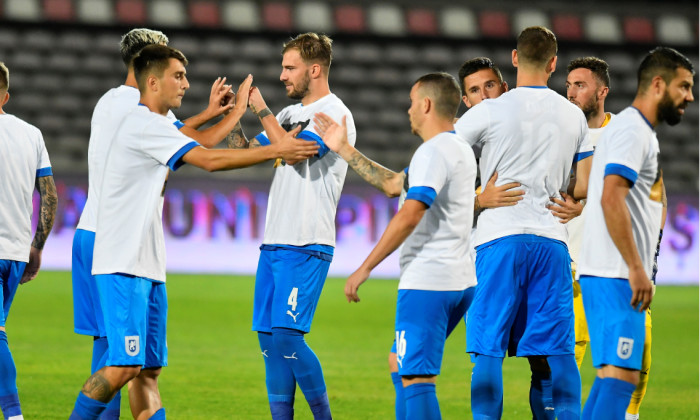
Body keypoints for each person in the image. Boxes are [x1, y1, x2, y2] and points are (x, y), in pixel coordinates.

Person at [69, 44, 318, 420]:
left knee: (147, 373)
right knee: (123, 367)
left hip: (148, 265)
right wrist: (276, 149)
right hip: (122, 264)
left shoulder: (157, 126)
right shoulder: (140, 124)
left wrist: (235, 112)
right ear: (152, 82)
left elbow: (197, 142)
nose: (186, 84)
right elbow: (210, 160)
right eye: (178, 76)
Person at [314, 56, 522, 420]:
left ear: (426, 104)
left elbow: (411, 211)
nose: (408, 110)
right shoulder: (455, 147)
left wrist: (363, 268)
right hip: (459, 280)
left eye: (412, 102)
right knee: (400, 362)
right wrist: (343, 148)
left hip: (429, 281)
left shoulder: (433, 152)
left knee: (417, 376)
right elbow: (395, 185)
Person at [455, 26, 593, 420]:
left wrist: (478, 196)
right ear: (553, 63)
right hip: (551, 241)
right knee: (557, 354)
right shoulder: (574, 116)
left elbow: (443, 152)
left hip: (499, 237)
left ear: (514, 60)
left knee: (487, 352)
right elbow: (581, 187)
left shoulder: (490, 110)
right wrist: (573, 204)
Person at [226, 32, 354, 420]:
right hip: (275, 242)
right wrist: (232, 116)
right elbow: (247, 152)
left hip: (307, 241)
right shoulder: (287, 116)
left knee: (287, 336)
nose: (282, 75)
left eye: (289, 67)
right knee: (269, 341)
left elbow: (295, 155)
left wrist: (261, 109)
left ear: (314, 70)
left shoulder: (335, 114)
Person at [578, 47, 693, 420]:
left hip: (604, 271)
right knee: (620, 377)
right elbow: (611, 198)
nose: (689, 96)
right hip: (615, 275)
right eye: (684, 86)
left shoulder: (630, 128)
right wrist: (636, 268)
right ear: (658, 84)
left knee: (612, 375)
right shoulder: (632, 131)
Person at [0, 61, 57, 420]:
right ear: (5, 95)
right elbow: (49, 194)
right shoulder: (31, 134)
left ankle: (15, 414)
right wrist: (36, 247)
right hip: (16, 253)